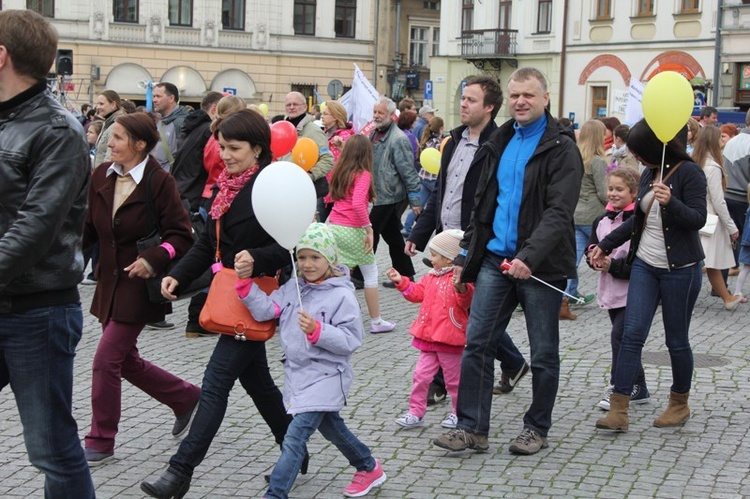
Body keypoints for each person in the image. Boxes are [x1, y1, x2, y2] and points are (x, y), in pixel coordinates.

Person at [140, 109, 300, 498]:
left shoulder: (272, 185)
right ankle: (297, 453)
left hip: (257, 298)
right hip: (231, 295)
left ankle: (179, 473)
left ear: (258, 148)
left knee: (214, 385)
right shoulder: (226, 185)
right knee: (259, 385)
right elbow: (208, 243)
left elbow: (293, 245)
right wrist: (178, 274)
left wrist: (257, 259)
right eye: (222, 146)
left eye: (234, 148)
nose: (225, 155)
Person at [432, 67, 583, 455]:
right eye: (515, 95)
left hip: (539, 267)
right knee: (477, 343)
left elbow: (559, 212)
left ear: (546, 98)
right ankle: (471, 428)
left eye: (529, 95)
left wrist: (529, 256)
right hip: (495, 261)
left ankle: (536, 428)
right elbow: (482, 207)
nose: (520, 101)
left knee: (543, 352)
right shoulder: (499, 140)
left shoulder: (561, 147)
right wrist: (466, 258)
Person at [0, 9, 95, 498]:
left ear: (1, 56)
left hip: (37, 312)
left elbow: (35, 227)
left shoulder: (57, 129)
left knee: (51, 451)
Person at [82, 112, 201, 465]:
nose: (110, 144)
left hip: (139, 285)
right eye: (110, 137)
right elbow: (88, 227)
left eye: (117, 138)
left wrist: (153, 258)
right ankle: (186, 397)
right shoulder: (101, 175)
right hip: (108, 283)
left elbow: (182, 235)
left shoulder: (158, 181)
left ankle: (100, 439)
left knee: (106, 360)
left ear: (139, 145)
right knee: (125, 360)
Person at [237, 223, 387, 499]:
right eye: (302, 257)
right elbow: (268, 309)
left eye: (315, 257)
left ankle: (276, 493)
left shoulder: (342, 295)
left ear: (330, 259)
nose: (307, 264)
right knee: (331, 427)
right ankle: (368, 466)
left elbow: (350, 341)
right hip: (299, 376)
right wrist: (246, 288)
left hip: (328, 376)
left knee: (295, 437)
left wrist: (318, 331)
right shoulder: (295, 288)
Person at [406, 75, 530, 401]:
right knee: (465, 313)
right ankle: (513, 362)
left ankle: (439, 383)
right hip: (444, 242)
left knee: (461, 313)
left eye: (471, 100)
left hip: (473, 245)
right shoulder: (454, 140)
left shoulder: (498, 145)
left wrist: (475, 248)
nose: (463, 104)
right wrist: (420, 234)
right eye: (463, 98)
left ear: (489, 107)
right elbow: (440, 193)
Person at [592, 118, 707, 433]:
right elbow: (636, 223)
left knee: (676, 340)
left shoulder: (690, 173)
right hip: (644, 265)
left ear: (654, 148)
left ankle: (679, 403)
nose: (637, 158)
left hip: (680, 270)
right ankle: (619, 409)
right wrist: (604, 245)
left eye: (640, 152)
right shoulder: (647, 174)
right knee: (630, 335)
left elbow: (698, 219)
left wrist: (672, 203)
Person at [388, 229, 474, 430]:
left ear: (450, 258)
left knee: (454, 380)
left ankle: (458, 412)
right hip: (428, 337)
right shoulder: (430, 277)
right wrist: (401, 282)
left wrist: (461, 287)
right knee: (420, 376)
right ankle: (416, 412)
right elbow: (416, 294)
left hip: (449, 338)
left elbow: (466, 300)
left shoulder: (460, 278)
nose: (431, 259)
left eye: (435, 255)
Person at [583, 167, 651, 411]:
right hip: (611, 291)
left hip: (634, 289)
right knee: (625, 339)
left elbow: (640, 262)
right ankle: (639, 385)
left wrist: (613, 265)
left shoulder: (639, 223)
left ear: (634, 193)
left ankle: (618, 385)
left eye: (619, 189)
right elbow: (592, 246)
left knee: (620, 337)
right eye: (610, 189)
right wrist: (594, 258)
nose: (613, 194)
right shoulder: (601, 220)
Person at [327, 135, 396, 333]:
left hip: (334, 226)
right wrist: (368, 227)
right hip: (353, 229)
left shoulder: (340, 169)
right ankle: (376, 320)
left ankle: (333, 316)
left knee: (339, 274)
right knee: (370, 274)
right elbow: (358, 203)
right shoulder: (363, 174)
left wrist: (341, 150)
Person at [367, 96, 422, 288]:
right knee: (393, 237)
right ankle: (406, 274)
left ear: (391, 115)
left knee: (370, 233)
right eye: (375, 112)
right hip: (378, 193)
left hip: (390, 195)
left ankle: (360, 274)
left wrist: (415, 200)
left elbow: (409, 172)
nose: (376, 116)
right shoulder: (373, 134)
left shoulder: (398, 139)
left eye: (380, 113)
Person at [562, 119, 609, 319]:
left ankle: (563, 300)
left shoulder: (575, 157)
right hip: (593, 216)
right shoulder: (598, 161)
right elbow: (603, 193)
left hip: (575, 214)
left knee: (572, 260)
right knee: (609, 256)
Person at [693, 126, 742, 310]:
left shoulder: (696, 162)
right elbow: (718, 200)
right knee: (706, 261)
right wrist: (731, 227)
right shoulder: (712, 166)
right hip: (709, 219)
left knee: (708, 262)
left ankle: (727, 297)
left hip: (697, 216)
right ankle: (726, 297)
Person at [282, 91, 334, 219]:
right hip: (283, 189)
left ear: (305, 107)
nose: (291, 107)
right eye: (288, 104)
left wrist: (311, 174)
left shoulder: (314, 131)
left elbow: (327, 159)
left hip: (304, 191)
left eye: (295, 104)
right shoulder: (282, 128)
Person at [402, 116, 444, 238]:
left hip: (424, 177)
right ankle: (439, 228)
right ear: (441, 128)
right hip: (433, 179)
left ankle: (407, 227)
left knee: (419, 204)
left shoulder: (426, 141)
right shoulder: (438, 143)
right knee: (438, 205)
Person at [319, 100, 355, 222]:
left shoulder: (345, 136)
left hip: (340, 188)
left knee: (338, 224)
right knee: (315, 224)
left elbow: (352, 159)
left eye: (325, 114)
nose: (321, 116)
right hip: (324, 186)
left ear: (335, 117)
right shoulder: (323, 134)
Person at [723, 110, 750, 274]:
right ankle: (735, 265)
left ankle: (726, 271)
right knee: (740, 234)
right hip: (742, 195)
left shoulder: (733, 141)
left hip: (727, 193)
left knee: (729, 235)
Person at [150, 82, 190, 172]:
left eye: (158, 96)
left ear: (171, 98)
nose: (154, 100)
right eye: (153, 96)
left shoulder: (182, 123)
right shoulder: (161, 121)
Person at [93, 89, 124, 167]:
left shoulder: (116, 125)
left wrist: (103, 176)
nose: (97, 107)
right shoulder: (108, 123)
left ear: (113, 105)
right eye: (97, 104)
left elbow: (110, 158)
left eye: (101, 104)